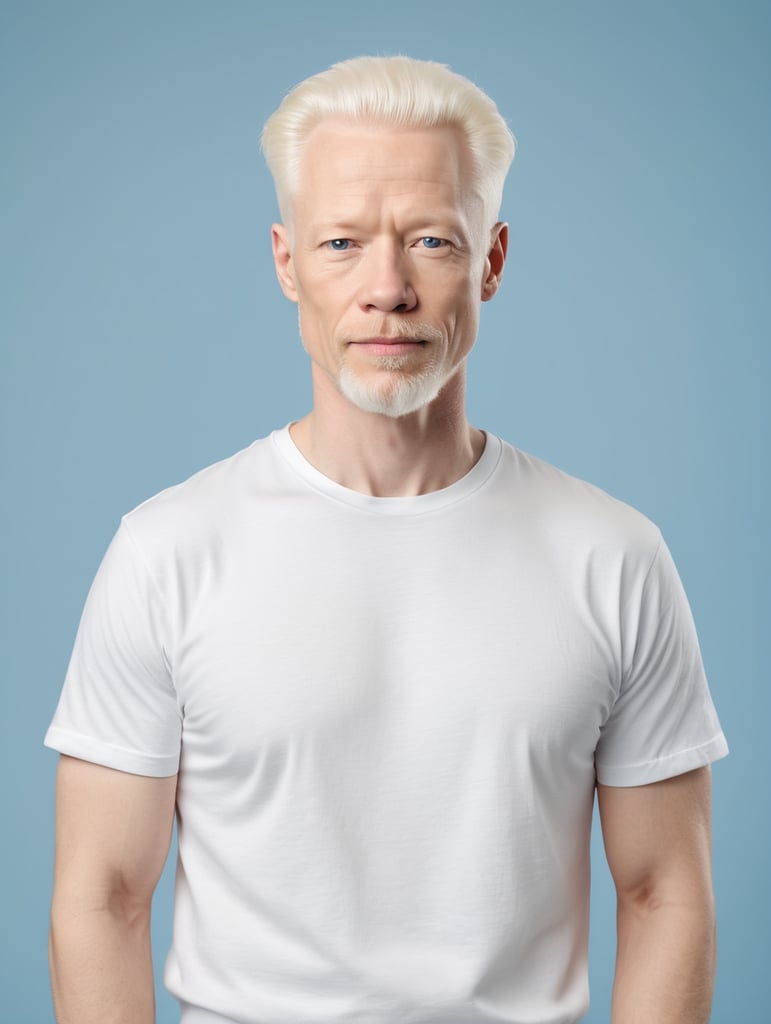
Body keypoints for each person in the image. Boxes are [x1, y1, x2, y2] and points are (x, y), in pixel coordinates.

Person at [45, 56, 728, 1024]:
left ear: (490, 260)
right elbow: (102, 896)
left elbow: (667, 892)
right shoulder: (168, 552)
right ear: (287, 262)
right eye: (340, 241)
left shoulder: (611, 555)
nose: (387, 288)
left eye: (432, 241)